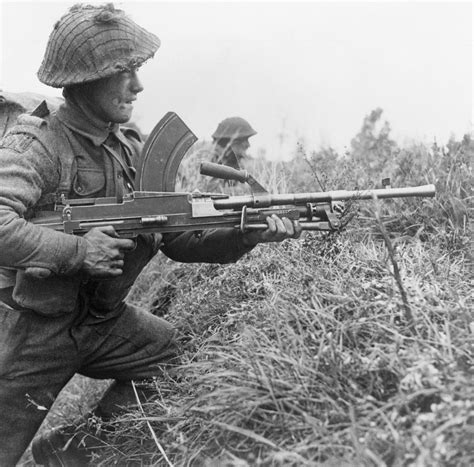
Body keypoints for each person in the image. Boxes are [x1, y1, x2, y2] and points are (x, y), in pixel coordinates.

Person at [0, 4, 300, 466]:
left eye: (136, 71)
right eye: (124, 72)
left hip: (103, 322)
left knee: (173, 358)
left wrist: (247, 231)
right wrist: (79, 251)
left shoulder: (131, 149)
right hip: (33, 331)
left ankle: (70, 452)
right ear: (85, 77)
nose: (137, 85)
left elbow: (175, 239)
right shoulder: (37, 143)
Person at [177, 116, 257, 193]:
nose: (248, 145)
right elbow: (203, 191)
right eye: (245, 140)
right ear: (230, 141)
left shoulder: (234, 163)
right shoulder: (205, 160)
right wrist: (242, 190)